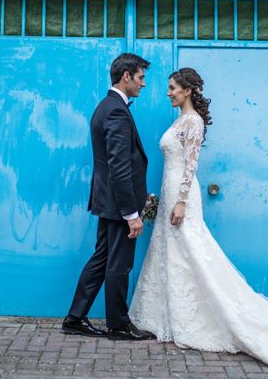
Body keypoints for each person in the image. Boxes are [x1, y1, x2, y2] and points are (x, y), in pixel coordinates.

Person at [129, 67, 268, 368]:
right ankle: (170, 316)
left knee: (193, 253)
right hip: (170, 195)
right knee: (174, 255)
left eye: (172, 88)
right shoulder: (180, 120)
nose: (168, 92)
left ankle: (231, 320)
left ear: (187, 90)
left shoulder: (192, 121)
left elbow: (191, 164)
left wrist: (180, 202)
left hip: (182, 198)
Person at [62, 53, 155, 341]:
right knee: (119, 263)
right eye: (140, 78)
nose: (143, 84)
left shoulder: (108, 106)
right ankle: (118, 325)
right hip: (118, 205)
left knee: (102, 258)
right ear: (126, 76)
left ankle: (75, 318)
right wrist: (132, 214)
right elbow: (119, 165)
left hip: (108, 201)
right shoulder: (116, 110)